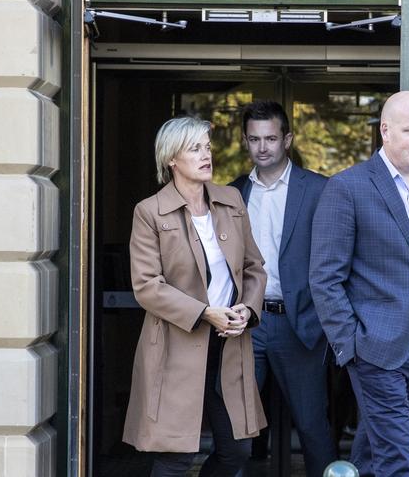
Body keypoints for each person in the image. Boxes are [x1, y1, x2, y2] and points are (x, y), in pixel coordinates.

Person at [309, 91, 409, 477]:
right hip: (376, 350)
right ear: (385, 131)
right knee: (399, 460)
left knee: (376, 451)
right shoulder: (347, 188)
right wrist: (353, 346)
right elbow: (325, 278)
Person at [123, 116, 267, 476]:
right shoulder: (149, 211)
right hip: (175, 346)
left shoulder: (231, 200)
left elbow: (254, 267)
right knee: (175, 456)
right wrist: (205, 312)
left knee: (237, 451)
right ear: (172, 158)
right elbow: (146, 286)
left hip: (228, 344)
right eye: (194, 148)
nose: (206, 155)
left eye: (207, 147)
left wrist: (247, 310)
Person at [230, 100, 336, 477]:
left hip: (300, 324)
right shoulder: (232, 194)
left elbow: (337, 259)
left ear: (287, 139)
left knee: (311, 426)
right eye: (255, 139)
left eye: (271, 138)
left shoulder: (320, 190)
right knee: (237, 429)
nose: (263, 147)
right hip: (247, 324)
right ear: (245, 141)